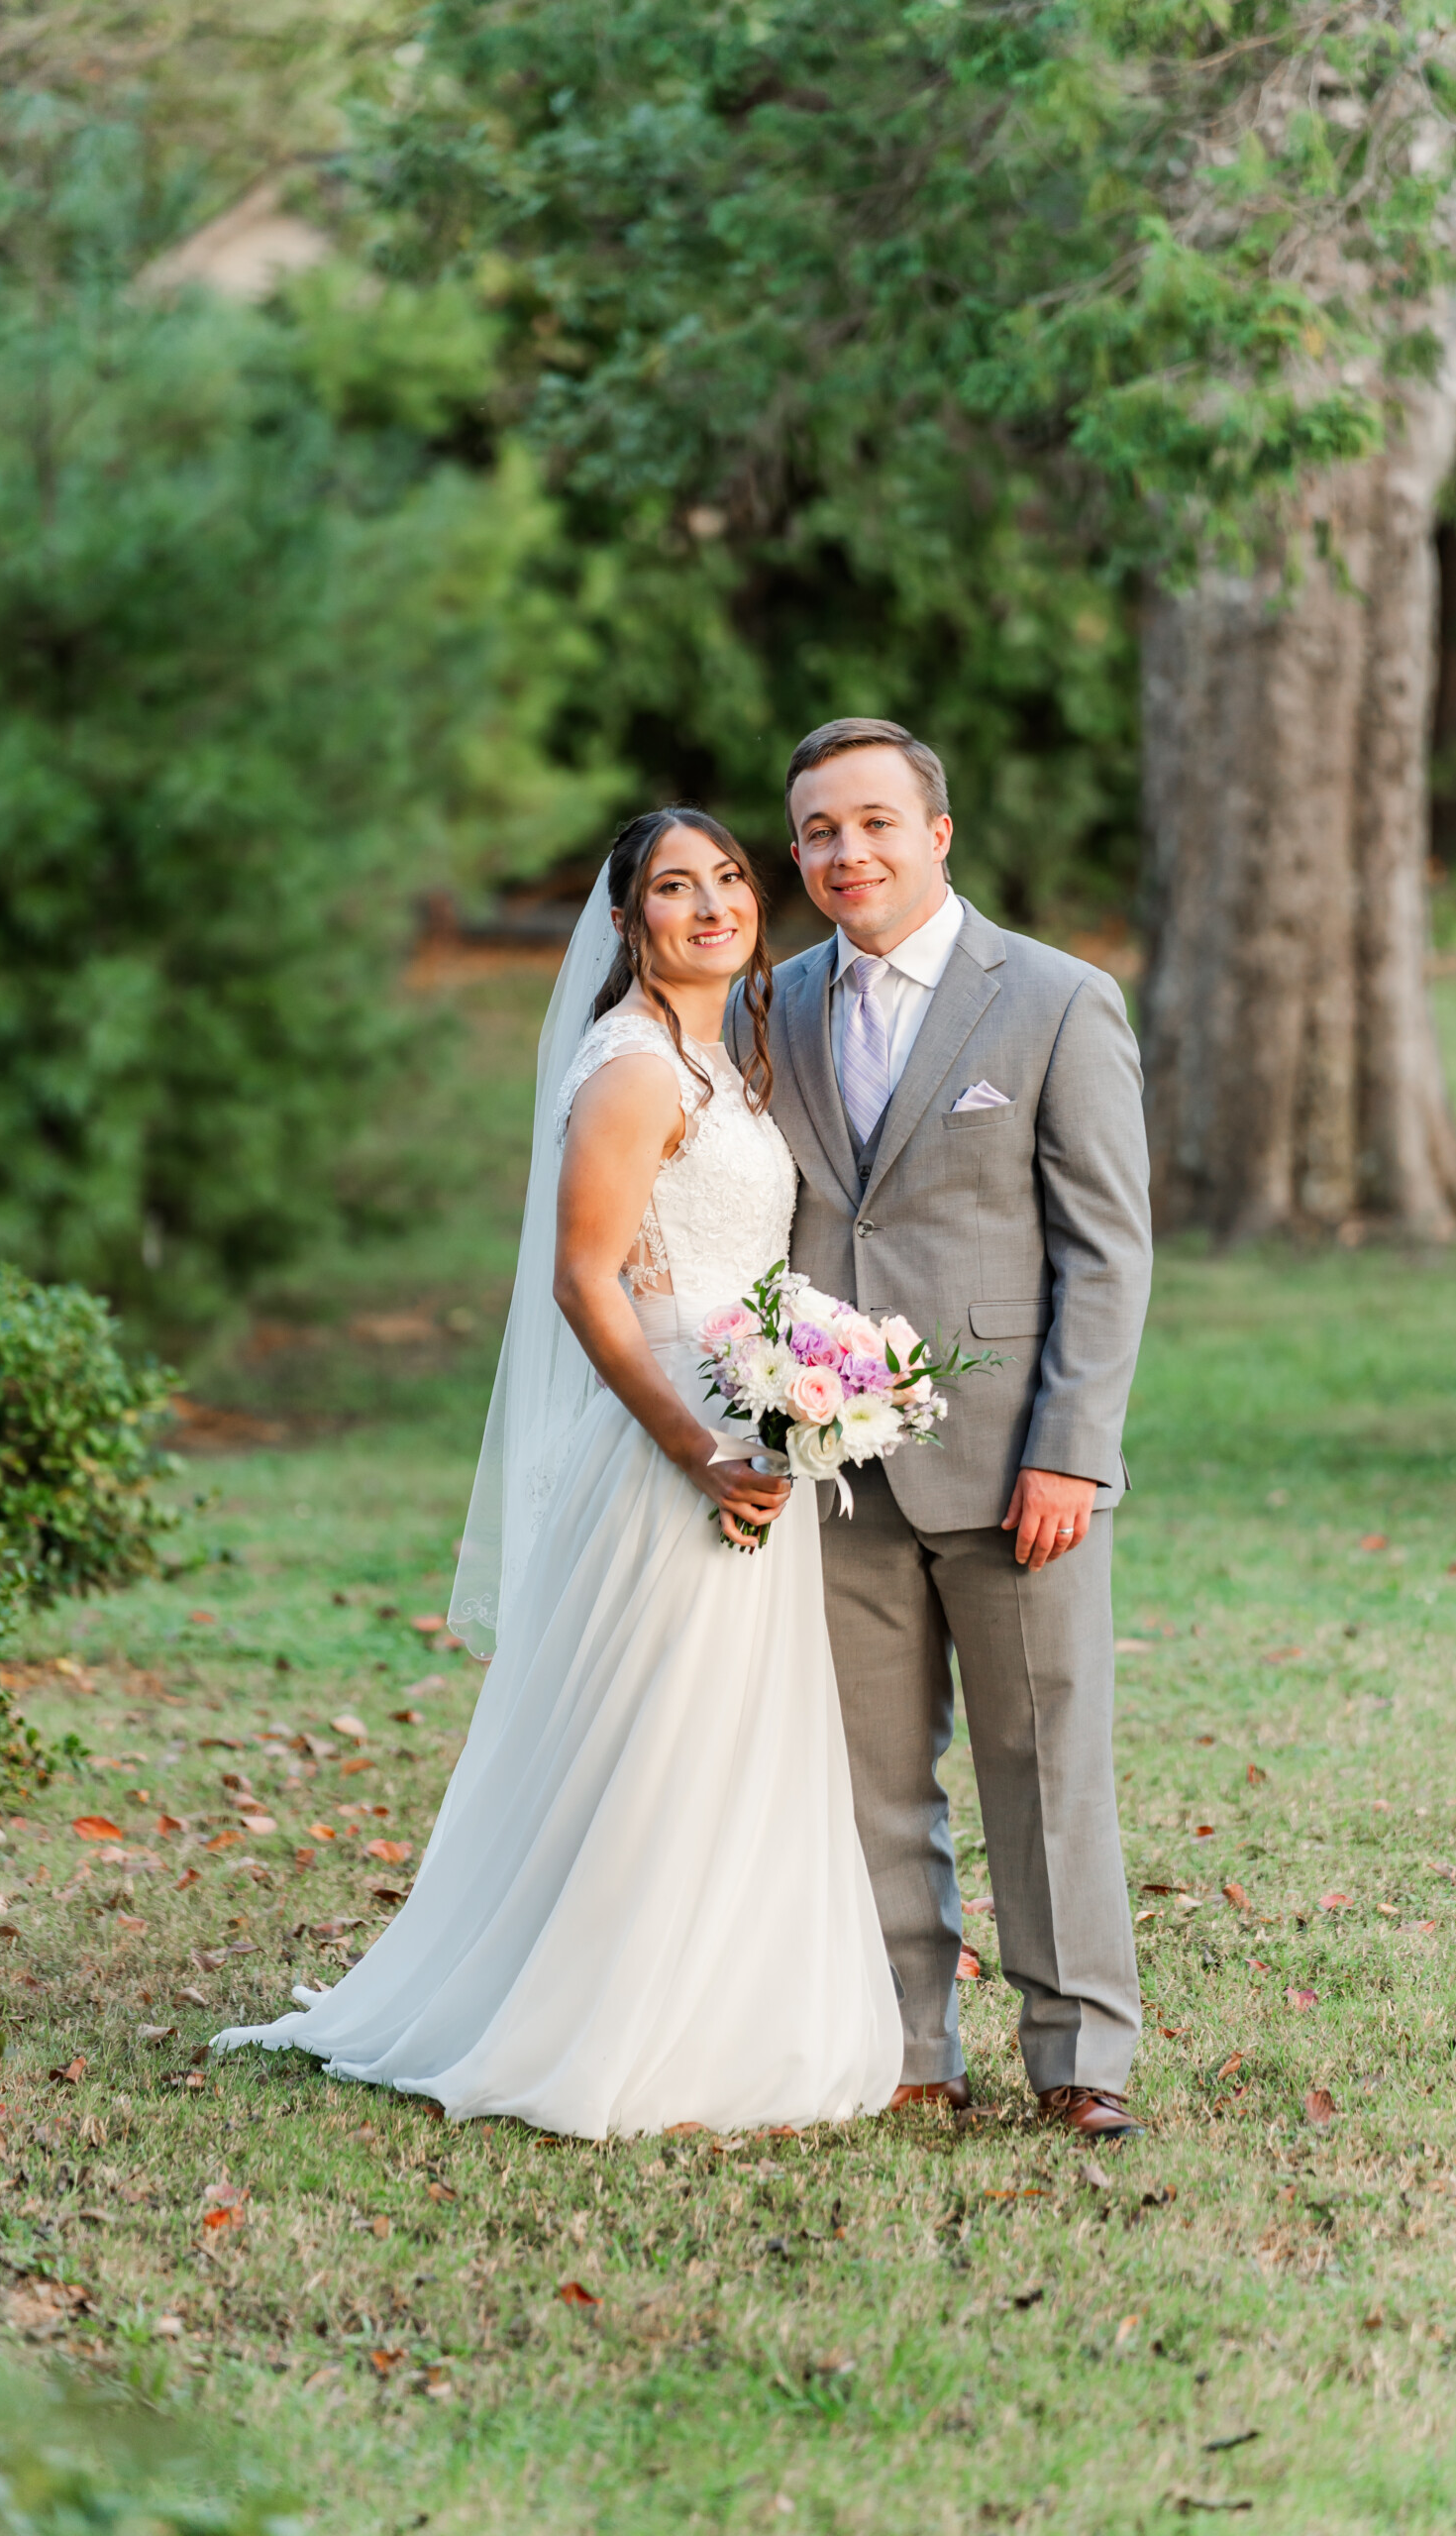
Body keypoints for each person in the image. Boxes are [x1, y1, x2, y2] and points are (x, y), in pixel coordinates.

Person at [213, 809, 902, 2136]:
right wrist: (697, 1444)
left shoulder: (729, 1058)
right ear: (629, 922)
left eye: (727, 881)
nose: (711, 907)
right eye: (672, 889)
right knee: (652, 1742)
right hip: (670, 1452)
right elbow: (586, 1282)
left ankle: (724, 2013)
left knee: (720, 1738)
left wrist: (800, 1389)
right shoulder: (636, 1069)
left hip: (751, 1435)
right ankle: (611, 2023)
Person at [735, 718, 1153, 2140]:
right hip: (831, 1470)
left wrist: (1072, 1450)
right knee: (866, 1774)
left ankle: (1079, 2055)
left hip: (1010, 1464)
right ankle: (908, 2041)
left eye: (872, 823)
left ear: (938, 834)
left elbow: (1107, 1249)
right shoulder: (768, 1006)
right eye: (817, 833)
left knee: (1045, 1766)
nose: (845, 853)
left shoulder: (1053, 1000)